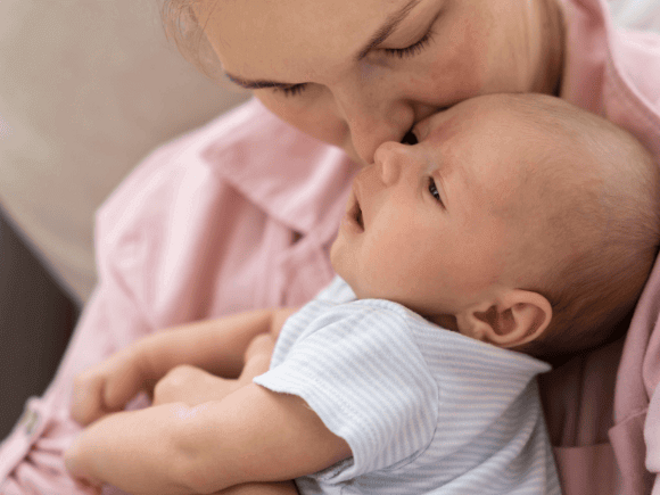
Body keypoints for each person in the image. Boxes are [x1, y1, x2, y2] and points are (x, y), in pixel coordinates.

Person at [1, 0, 659, 494]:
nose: (374, 142)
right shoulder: (171, 221)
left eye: (408, 39)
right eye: (285, 86)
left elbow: (163, 447)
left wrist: (175, 420)